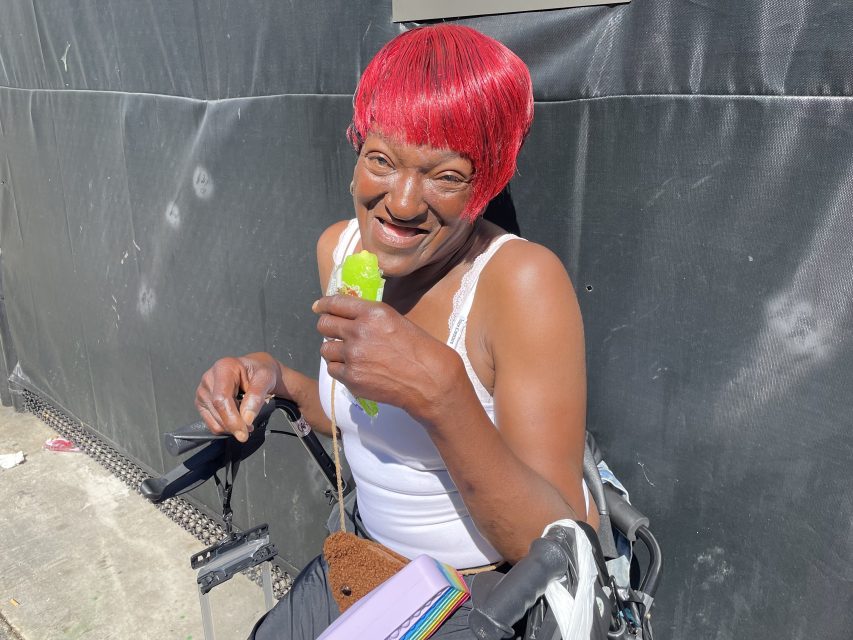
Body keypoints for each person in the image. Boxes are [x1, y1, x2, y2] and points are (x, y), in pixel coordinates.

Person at [195, 24, 593, 639]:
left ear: (484, 184)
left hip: (481, 591)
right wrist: (278, 381)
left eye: (446, 176)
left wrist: (442, 394)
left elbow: (557, 544)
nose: (402, 203)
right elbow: (363, 420)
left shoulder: (520, 283)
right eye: (381, 160)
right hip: (369, 562)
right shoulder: (341, 249)